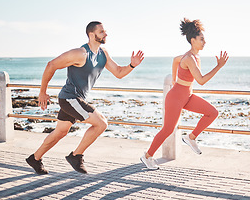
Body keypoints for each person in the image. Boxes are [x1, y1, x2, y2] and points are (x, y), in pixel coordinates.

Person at [26, 21, 144, 174]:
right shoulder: (80, 53)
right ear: (91, 35)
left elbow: (119, 73)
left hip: (75, 100)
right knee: (101, 124)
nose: (105, 34)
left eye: (105, 31)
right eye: (101, 32)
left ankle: (35, 159)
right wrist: (42, 92)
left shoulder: (103, 53)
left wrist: (132, 65)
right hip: (70, 98)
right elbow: (51, 65)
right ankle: (76, 156)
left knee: (60, 132)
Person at [140, 18, 229, 170]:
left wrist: (174, 78)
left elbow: (175, 60)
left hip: (186, 96)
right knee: (167, 130)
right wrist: (219, 66)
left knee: (212, 113)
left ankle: (191, 137)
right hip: (175, 98)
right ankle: (147, 156)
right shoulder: (190, 58)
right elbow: (201, 80)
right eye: (202, 39)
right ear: (193, 40)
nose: (204, 42)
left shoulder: (193, 56)